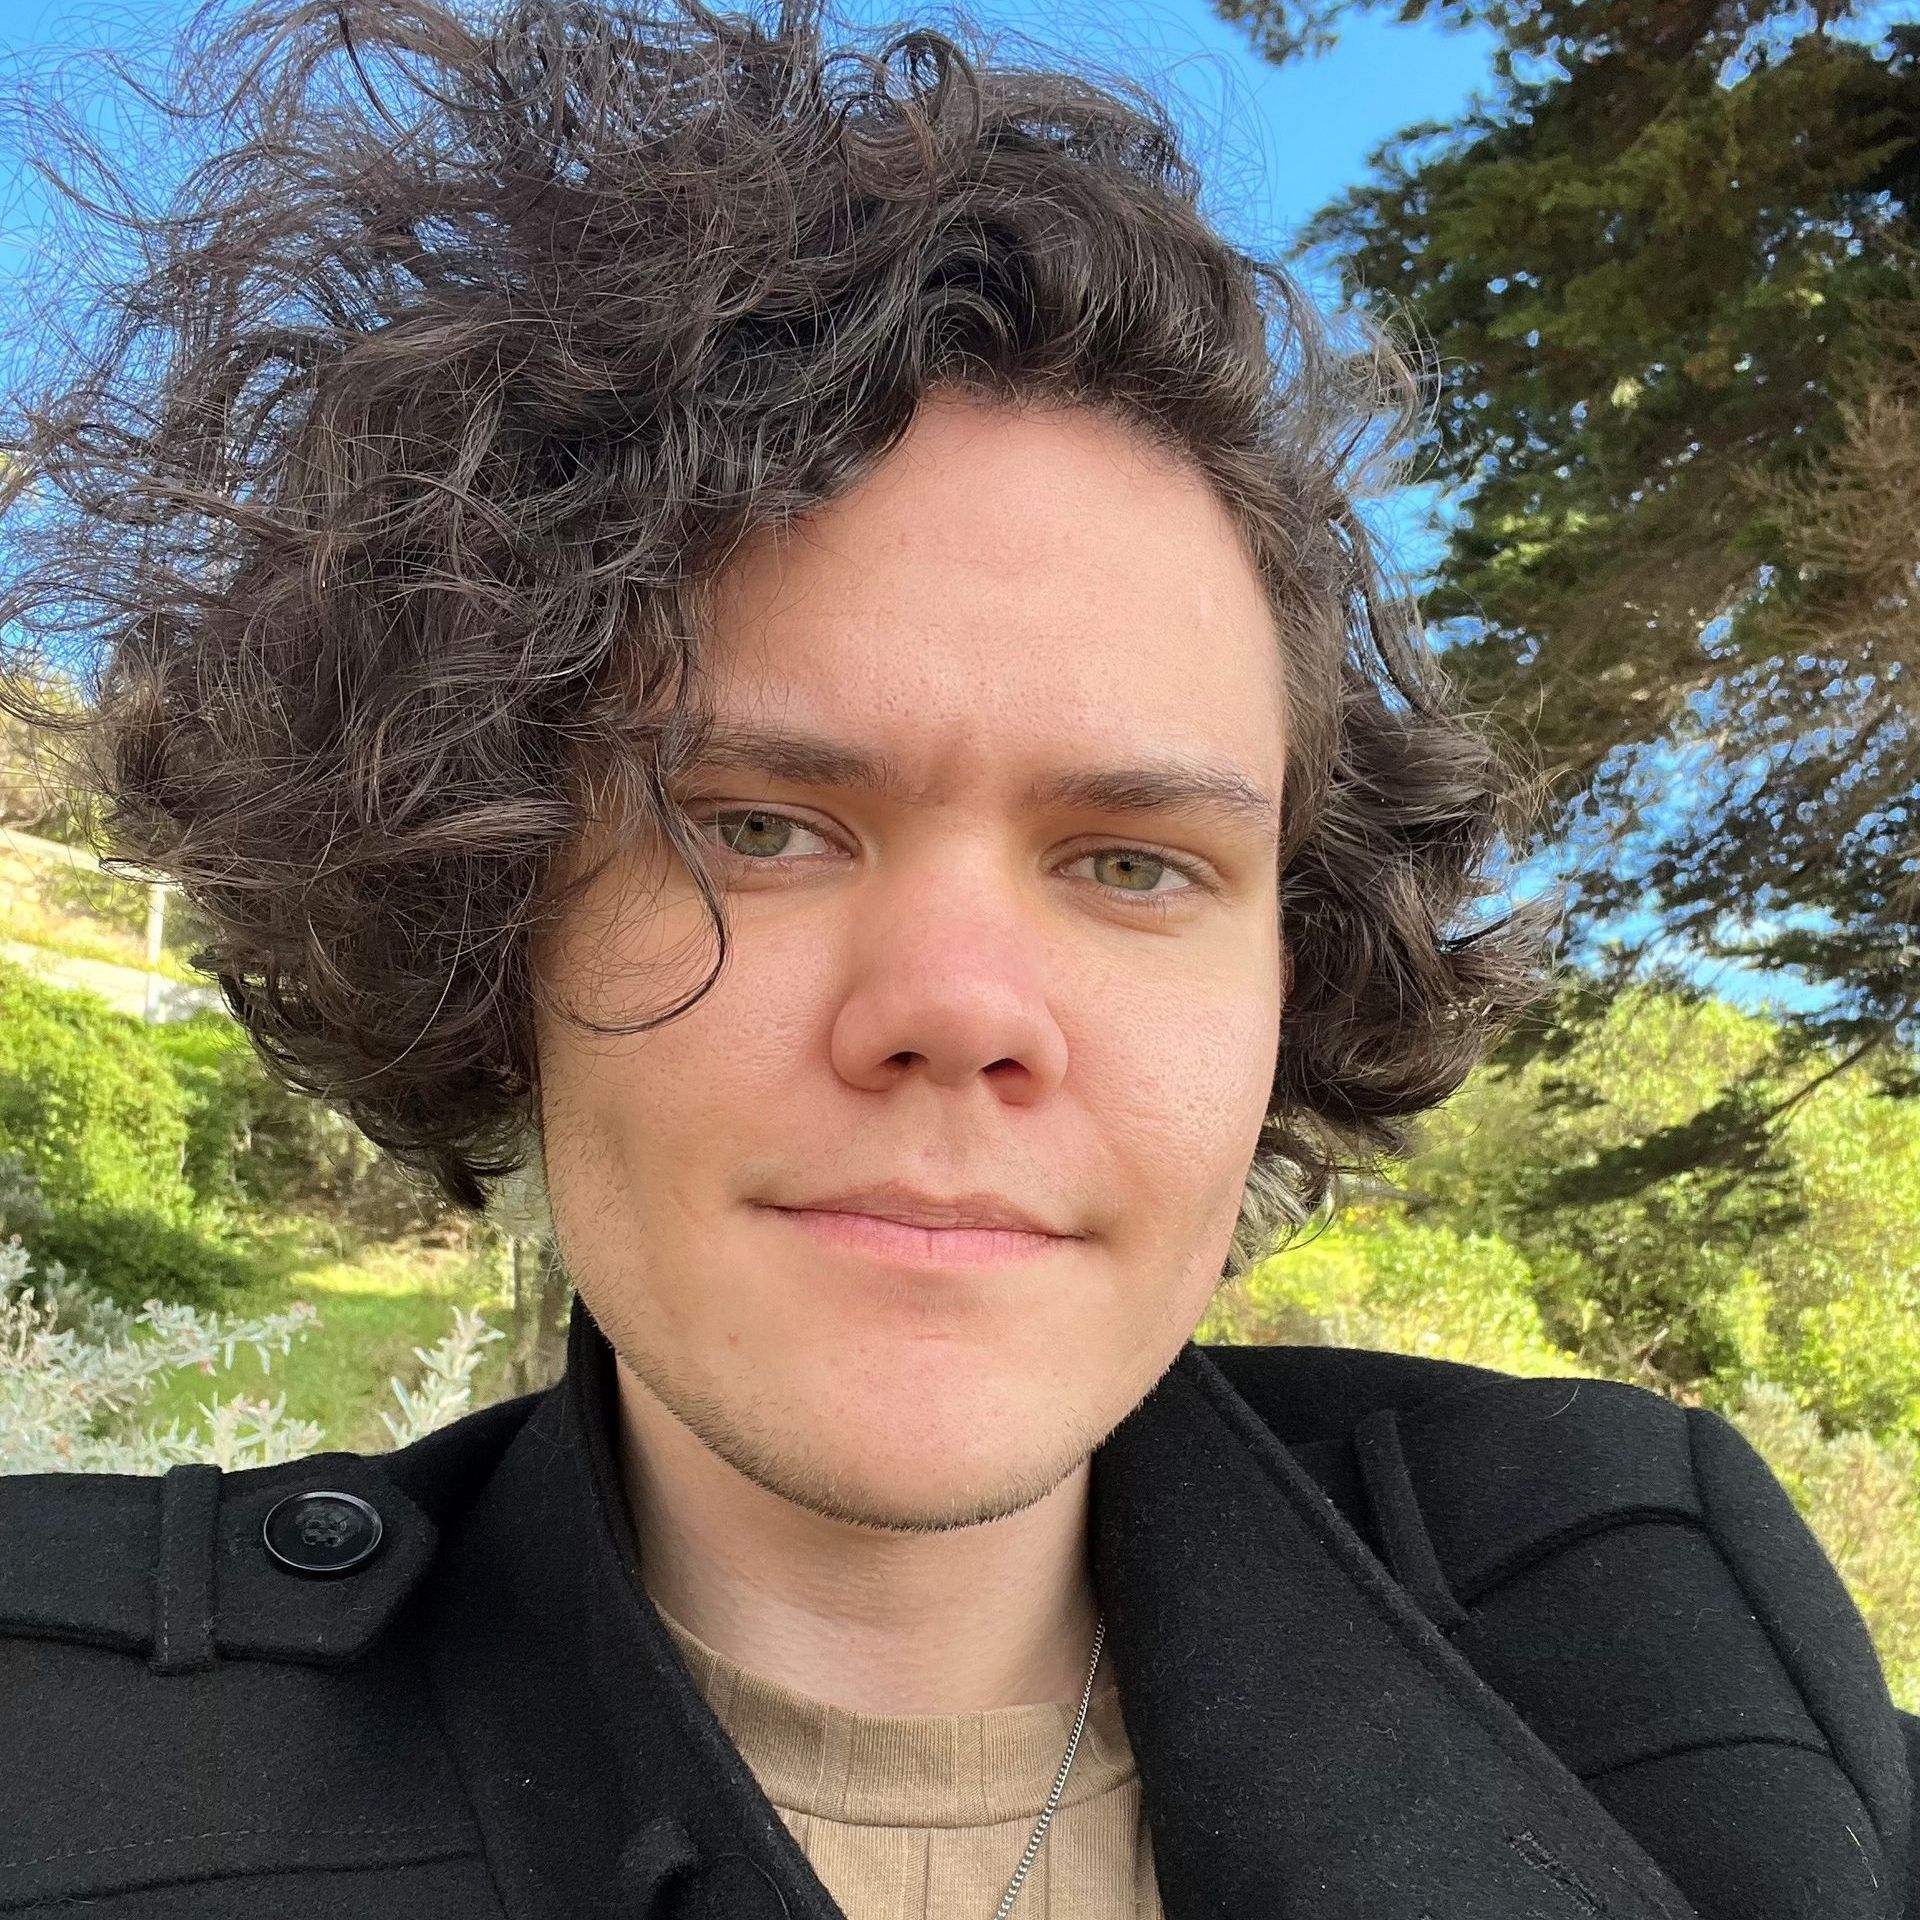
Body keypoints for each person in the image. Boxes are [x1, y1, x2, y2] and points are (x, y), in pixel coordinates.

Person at [0, 2, 1911, 1916]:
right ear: (495, 905)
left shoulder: (1666, 1621)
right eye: (757, 827)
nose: (962, 1010)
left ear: (1292, 969)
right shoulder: (60, 1745)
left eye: (1135, 864)